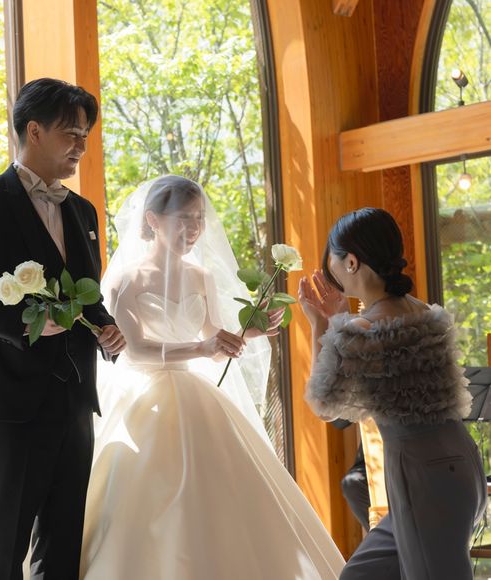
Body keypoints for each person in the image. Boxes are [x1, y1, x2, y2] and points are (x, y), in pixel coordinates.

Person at [80, 175, 345, 579]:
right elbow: (134, 350)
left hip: (194, 394)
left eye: (198, 219)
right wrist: (202, 348)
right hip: (143, 399)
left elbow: (212, 336)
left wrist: (251, 330)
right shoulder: (125, 279)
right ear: (152, 220)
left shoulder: (200, 275)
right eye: (183, 219)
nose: (193, 229)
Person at [0, 78, 126, 580]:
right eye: (71, 134)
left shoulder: (83, 211)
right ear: (35, 130)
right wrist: (27, 326)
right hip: (9, 402)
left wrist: (107, 329)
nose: (80, 146)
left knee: (63, 546)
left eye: (85, 136)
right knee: (4, 547)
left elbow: (87, 296)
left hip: (76, 400)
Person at [298, 207, 487, 580]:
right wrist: (337, 323)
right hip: (460, 466)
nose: (330, 271)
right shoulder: (423, 312)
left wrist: (320, 324)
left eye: (332, 260)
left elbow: (324, 405)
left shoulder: (362, 329)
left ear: (351, 262)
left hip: (423, 478)